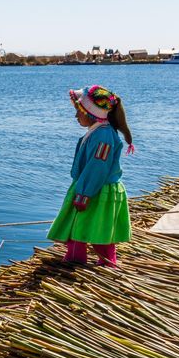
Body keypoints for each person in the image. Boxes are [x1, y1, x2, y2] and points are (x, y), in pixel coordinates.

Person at [47, 85, 134, 266]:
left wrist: (84, 193)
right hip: (88, 185)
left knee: (97, 226)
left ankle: (106, 261)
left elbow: (98, 167)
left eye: (79, 112)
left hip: (97, 189)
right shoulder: (97, 131)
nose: (76, 116)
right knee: (77, 222)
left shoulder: (103, 136)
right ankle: (75, 257)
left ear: (91, 114)